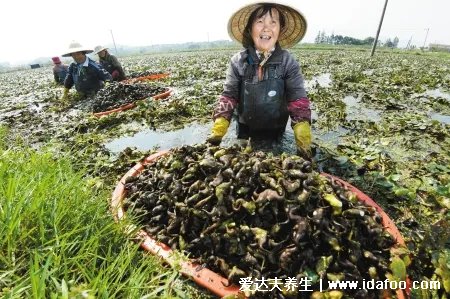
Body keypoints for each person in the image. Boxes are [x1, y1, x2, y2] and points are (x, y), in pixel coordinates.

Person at [207, 2, 312, 158]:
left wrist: (303, 137)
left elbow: (298, 100)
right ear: (250, 29)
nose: (266, 28)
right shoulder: (238, 61)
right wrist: (219, 129)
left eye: (273, 22)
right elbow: (229, 95)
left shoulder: (288, 62)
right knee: (243, 157)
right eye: (260, 21)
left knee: (275, 159)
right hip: (245, 129)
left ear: (280, 30)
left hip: (275, 130)